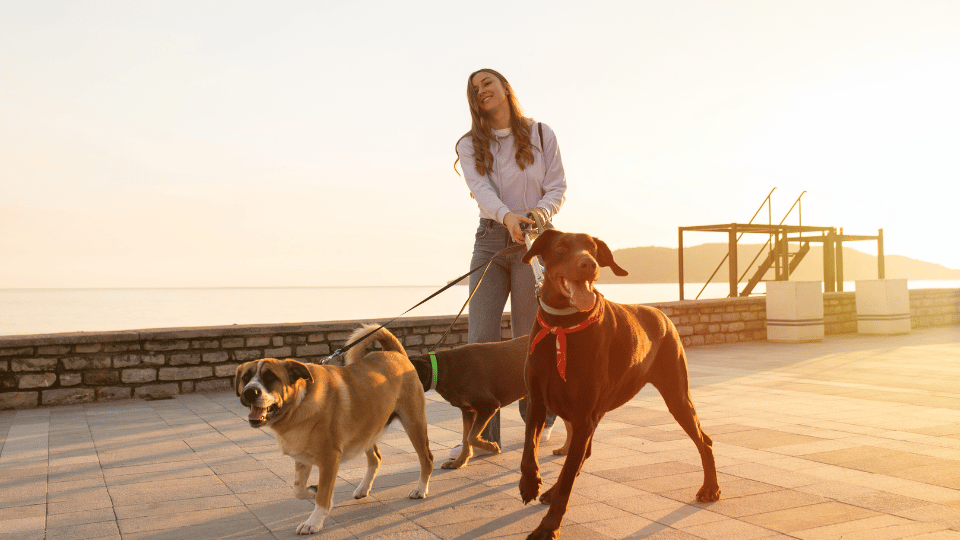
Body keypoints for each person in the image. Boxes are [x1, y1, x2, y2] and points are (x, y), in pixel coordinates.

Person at [453, 68, 566, 455]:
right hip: (490, 241)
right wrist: (506, 217)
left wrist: (537, 214)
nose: (481, 90)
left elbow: (557, 187)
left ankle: (540, 420)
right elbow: (479, 189)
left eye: (487, 83)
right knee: (479, 340)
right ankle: (483, 436)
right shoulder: (470, 144)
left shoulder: (540, 134)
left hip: (534, 238)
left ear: (504, 88)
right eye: (474, 88)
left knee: (528, 337)